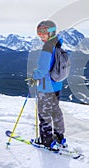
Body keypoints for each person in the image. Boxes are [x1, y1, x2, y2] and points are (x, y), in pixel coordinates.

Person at [32, 20, 66, 149]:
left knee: (44, 114)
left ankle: (47, 141)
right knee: (55, 111)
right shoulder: (57, 45)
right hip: (56, 86)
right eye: (39, 31)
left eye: (43, 31)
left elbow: (42, 69)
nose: (41, 34)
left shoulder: (47, 47)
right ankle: (59, 138)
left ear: (51, 32)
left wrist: (34, 76)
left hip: (46, 87)